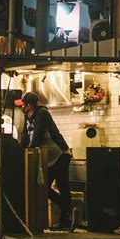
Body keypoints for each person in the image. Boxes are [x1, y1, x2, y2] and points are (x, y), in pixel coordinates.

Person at [16, 91, 77, 231]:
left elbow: (37, 136)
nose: (22, 107)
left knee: (62, 187)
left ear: (30, 105)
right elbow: (25, 136)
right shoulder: (27, 116)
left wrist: (30, 150)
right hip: (48, 157)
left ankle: (65, 219)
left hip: (60, 154)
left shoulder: (42, 113)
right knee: (43, 188)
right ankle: (66, 209)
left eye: (23, 105)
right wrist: (20, 151)